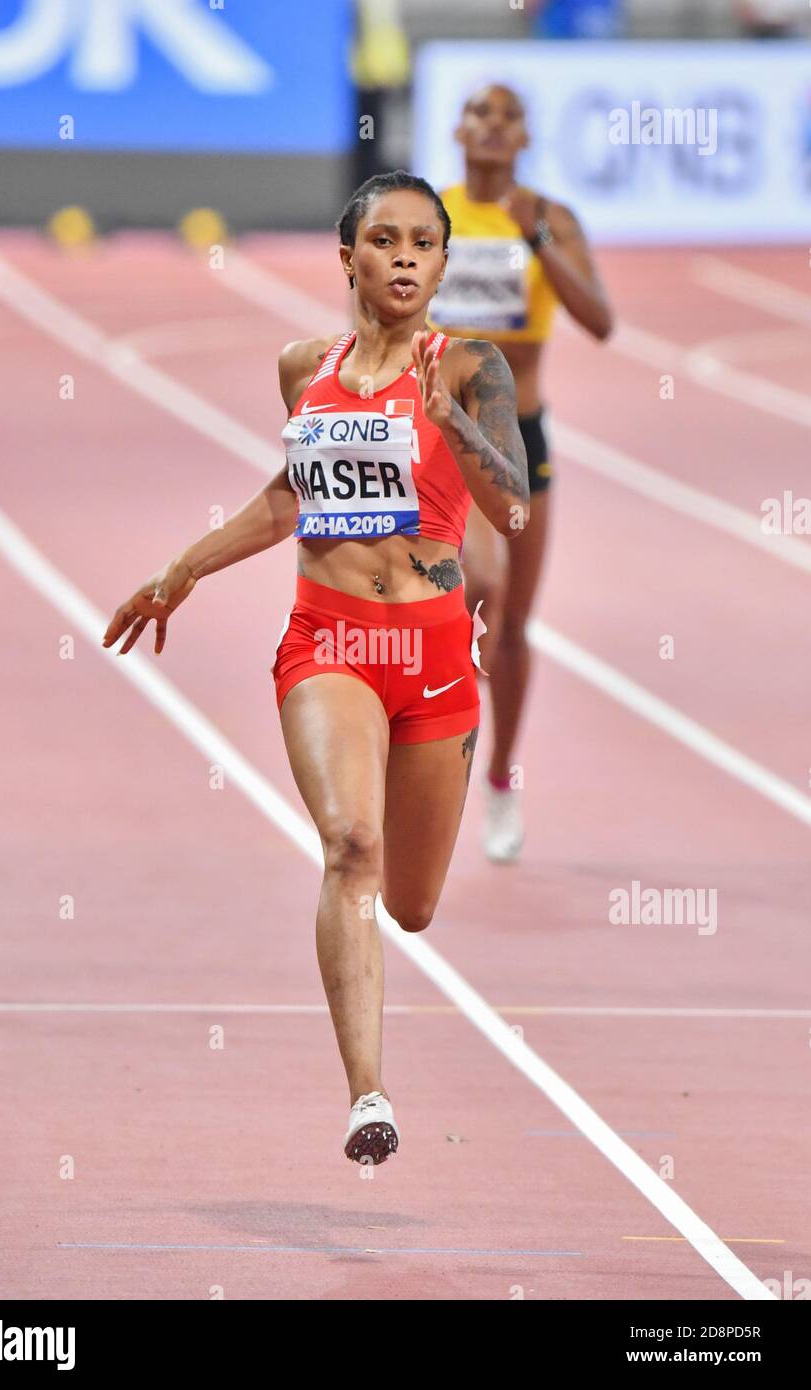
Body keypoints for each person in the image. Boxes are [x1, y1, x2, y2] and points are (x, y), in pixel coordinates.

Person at [102, 172, 529, 1165]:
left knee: (411, 907)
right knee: (348, 844)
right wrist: (180, 571)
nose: (407, 258)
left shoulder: (472, 365)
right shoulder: (306, 367)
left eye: (426, 242)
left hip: (429, 658)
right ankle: (367, 1095)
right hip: (330, 641)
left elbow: (511, 507)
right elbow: (287, 497)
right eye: (386, 240)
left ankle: (379, 986)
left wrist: (451, 418)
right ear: (349, 258)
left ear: (442, 262)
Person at [428, 84, 613, 862]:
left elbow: (599, 321)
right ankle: (432, 755)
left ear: (527, 135)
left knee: (511, 628)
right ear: (457, 129)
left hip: (520, 434)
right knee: (481, 582)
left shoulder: (550, 216)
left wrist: (536, 239)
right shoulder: (428, 214)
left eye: (506, 117)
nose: (492, 127)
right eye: (479, 114)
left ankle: (499, 778)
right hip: (444, 431)